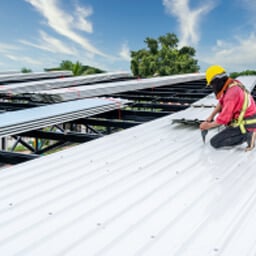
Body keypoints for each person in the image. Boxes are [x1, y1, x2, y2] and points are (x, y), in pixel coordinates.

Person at [200, 65, 256, 151]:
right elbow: (222, 102)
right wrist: (211, 116)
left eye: (212, 84)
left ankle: (248, 135)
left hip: (248, 124)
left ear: (217, 81)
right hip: (249, 118)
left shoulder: (231, 94)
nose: (212, 87)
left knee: (215, 142)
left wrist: (208, 125)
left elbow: (223, 119)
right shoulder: (232, 83)